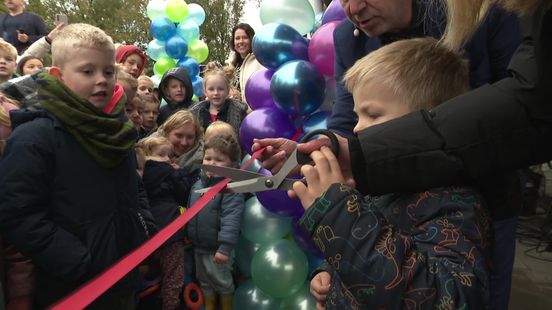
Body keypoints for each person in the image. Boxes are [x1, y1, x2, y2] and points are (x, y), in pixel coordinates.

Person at [296, 37, 492, 309]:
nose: (356, 129)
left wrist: (337, 215)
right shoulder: (380, 186)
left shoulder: (456, 205)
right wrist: (329, 275)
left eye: (373, 115)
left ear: (429, 121)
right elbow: (365, 248)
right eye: (357, 117)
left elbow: (448, 298)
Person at [0, 23, 154, 308]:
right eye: (87, 71)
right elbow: (17, 213)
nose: (102, 80)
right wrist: (76, 259)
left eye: (108, 71)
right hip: (74, 287)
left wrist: (142, 231)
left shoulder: (117, 130)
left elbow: (134, 186)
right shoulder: (36, 137)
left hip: (123, 275)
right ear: (58, 75)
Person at [139, 136, 197, 310]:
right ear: (148, 153)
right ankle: (169, 305)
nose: (167, 159)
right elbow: (183, 192)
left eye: (169, 156)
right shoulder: (170, 171)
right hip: (170, 232)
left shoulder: (138, 172)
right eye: (162, 154)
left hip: (146, 232)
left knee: (151, 274)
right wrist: (179, 173)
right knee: (174, 274)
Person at [187, 135, 244, 310]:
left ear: (233, 164)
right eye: (208, 158)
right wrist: (188, 233)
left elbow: (231, 219)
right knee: (204, 280)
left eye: (219, 160)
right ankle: (210, 305)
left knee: (222, 282)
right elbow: (191, 213)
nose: (211, 163)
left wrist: (225, 248)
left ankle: (227, 305)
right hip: (199, 247)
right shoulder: (197, 186)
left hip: (217, 250)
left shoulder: (231, 189)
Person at [190, 62, 248, 135]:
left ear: (227, 90)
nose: (216, 93)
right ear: (205, 91)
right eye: (211, 89)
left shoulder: (239, 112)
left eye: (220, 89)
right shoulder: (196, 114)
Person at [157, 109, 204, 175]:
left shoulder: (206, 161)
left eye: (190, 137)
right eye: (179, 136)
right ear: (167, 133)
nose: (184, 143)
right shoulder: (146, 153)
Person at [227, 23, 263, 106]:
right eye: (237, 38)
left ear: (251, 40)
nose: (241, 41)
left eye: (245, 37)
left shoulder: (260, 61)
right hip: (236, 115)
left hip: (255, 113)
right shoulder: (231, 65)